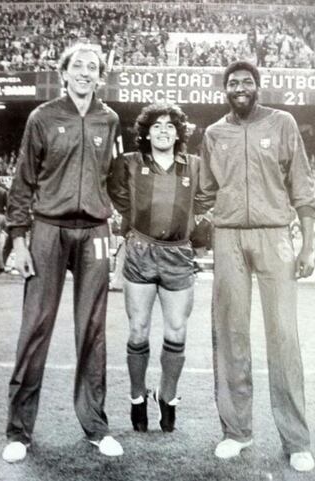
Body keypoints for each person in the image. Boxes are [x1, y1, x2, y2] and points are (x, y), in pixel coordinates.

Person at [2, 43, 124, 464]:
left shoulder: (109, 119)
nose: (86, 73)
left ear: (99, 75)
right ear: (65, 72)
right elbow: (22, 181)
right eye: (79, 66)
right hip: (48, 229)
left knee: (93, 330)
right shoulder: (43, 117)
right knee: (35, 327)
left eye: (93, 67)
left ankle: (96, 426)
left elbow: (115, 180)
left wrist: (123, 226)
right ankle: (19, 432)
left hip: (94, 231)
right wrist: (19, 240)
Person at [199, 61, 315, 472]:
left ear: (258, 87)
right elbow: (204, 193)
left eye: (246, 82)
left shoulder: (282, 123)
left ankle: (297, 440)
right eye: (232, 83)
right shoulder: (214, 133)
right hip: (229, 235)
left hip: (274, 235)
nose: (239, 88)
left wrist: (308, 245)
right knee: (229, 334)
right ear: (226, 90)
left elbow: (302, 187)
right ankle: (236, 431)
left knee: (283, 335)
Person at [108, 103, 209, 433]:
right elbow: (119, 197)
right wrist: (139, 222)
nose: (164, 130)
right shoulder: (129, 163)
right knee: (138, 329)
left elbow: (206, 200)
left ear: (179, 132)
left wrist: (186, 223)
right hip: (140, 252)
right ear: (146, 132)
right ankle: (138, 398)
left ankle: (168, 397)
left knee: (176, 330)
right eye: (157, 125)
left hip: (178, 254)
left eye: (170, 125)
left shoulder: (194, 165)